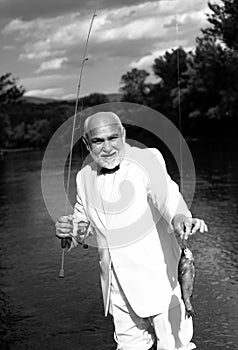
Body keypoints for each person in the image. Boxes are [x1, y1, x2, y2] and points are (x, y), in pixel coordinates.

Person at [55, 111, 208, 350]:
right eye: (98, 141)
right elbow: (84, 225)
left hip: (159, 282)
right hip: (116, 288)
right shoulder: (83, 176)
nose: (107, 147)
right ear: (86, 144)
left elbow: (166, 194)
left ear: (124, 135)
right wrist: (70, 231)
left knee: (176, 347)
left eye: (113, 137)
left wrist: (180, 217)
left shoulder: (147, 159)